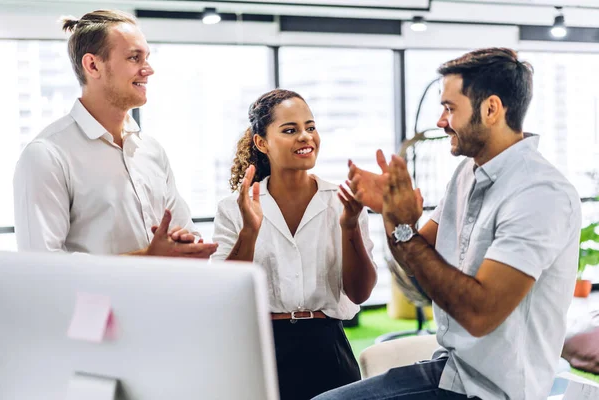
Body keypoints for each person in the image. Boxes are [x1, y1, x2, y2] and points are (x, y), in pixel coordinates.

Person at [315, 48, 581, 399]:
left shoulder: (540, 193)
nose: (441, 121)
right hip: (452, 371)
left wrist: (402, 226)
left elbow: (479, 313)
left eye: (450, 108)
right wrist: (391, 213)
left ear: (491, 110)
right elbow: (415, 270)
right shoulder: (465, 174)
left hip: (497, 391)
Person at [211, 89, 378, 400]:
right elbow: (224, 295)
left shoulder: (341, 202)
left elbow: (359, 292)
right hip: (261, 348)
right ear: (261, 143)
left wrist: (350, 226)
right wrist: (250, 231)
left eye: (310, 127)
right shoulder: (234, 208)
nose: (305, 137)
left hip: (329, 349)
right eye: (290, 130)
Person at [13, 10, 217, 258]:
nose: (148, 70)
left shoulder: (151, 151)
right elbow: (41, 268)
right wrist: (149, 258)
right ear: (93, 65)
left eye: (147, 58)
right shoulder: (46, 156)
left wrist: (186, 246)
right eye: (134, 58)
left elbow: (186, 232)